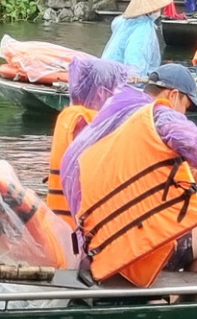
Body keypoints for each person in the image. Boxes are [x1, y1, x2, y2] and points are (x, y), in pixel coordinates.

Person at [68, 63, 197, 288]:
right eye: (186, 106)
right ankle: (184, 306)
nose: (185, 114)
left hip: (93, 245)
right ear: (173, 96)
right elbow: (189, 139)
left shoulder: (112, 113)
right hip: (126, 249)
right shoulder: (154, 114)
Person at [46, 57, 132, 220]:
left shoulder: (73, 117)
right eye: (118, 90)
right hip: (75, 229)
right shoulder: (85, 124)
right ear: (101, 92)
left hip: (64, 223)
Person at [103, 0, 170, 75]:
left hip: (108, 69)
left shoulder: (125, 21)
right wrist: (135, 74)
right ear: (149, 11)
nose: (160, 12)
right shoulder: (143, 27)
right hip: (123, 77)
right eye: (158, 9)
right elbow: (136, 52)